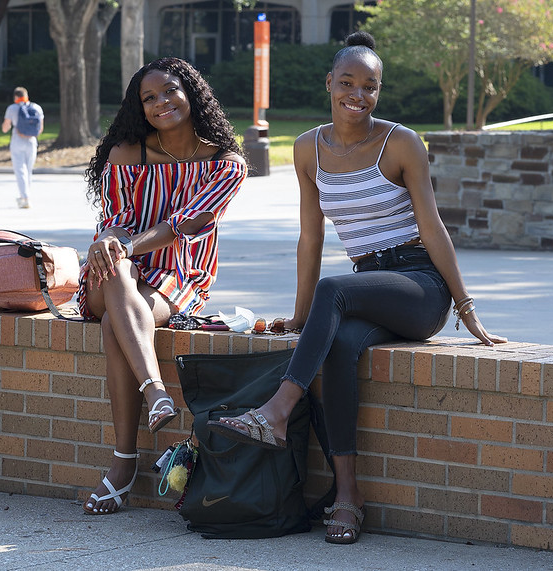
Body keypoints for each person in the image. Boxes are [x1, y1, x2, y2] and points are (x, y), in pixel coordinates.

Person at [209, 32, 507, 545]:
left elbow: (432, 226)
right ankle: (348, 497)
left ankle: (276, 412)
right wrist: (302, 317)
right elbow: (311, 238)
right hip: (366, 281)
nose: (358, 94)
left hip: (419, 287)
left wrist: (466, 307)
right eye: (347, 82)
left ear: (378, 92)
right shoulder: (308, 148)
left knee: (336, 288)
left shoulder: (402, 143)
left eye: (370, 86)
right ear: (330, 83)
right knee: (340, 345)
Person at [78, 57, 247, 515]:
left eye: (170, 91)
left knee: (119, 318)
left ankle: (123, 462)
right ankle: (155, 392)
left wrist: (124, 246)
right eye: (148, 98)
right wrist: (111, 243)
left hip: (179, 273)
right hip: (116, 269)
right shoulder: (127, 153)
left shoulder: (225, 164)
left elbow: (186, 224)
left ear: (192, 93)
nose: (161, 103)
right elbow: (113, 221)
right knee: (115, 272)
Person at [1, 86, 44, 209]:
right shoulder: (36, 108)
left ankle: (25, 198)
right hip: (31, 141)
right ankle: (26, 196)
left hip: (17, 141)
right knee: (28, 170)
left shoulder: (12, 108)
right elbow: (40, 129)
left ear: (15, 97)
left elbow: (5, 128)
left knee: (20, 170)